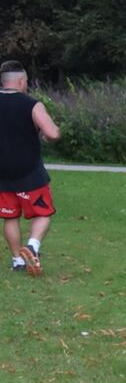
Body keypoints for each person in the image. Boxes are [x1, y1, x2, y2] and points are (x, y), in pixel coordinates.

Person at [0, 60, 61, 276]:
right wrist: (48, 130)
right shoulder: (32, 104)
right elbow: (53, 133)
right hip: (29, 172)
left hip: (2, 174)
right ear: (21, 81)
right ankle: (32, 246)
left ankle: (17, 260)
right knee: (43, 213)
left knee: (9, 217)